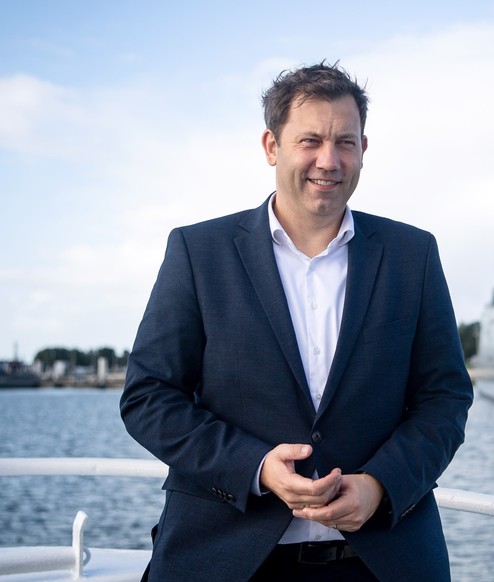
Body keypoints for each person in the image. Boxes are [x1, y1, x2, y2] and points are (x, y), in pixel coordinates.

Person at [120, 61, 474, 581]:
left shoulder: (413, 255)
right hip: (225, 559)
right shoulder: (199, 252)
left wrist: (380, 484)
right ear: (271, 146)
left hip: (381, 560)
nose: (328, 161)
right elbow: (148, 396)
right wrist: (256, 468)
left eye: (345, 142)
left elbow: (445, 399)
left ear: (363, 150)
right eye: (310, 140)